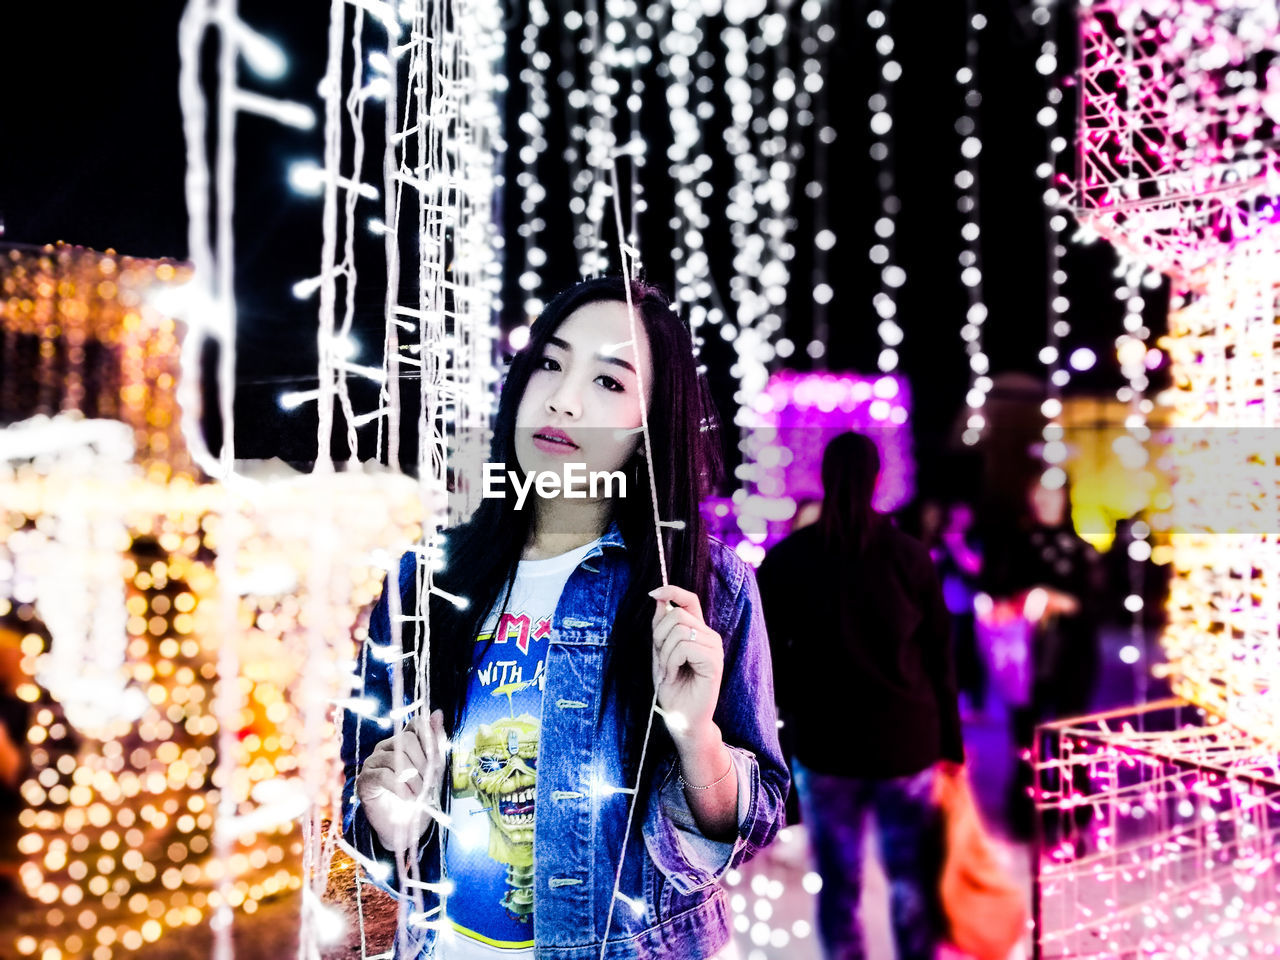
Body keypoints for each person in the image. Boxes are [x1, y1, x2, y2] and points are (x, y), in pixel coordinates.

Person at [341, 276, 788, 960]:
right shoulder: (423, 580)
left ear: (647, 430)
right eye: (550, 363)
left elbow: (748, 830)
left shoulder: (703, 586)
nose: (563, 398)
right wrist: (390, 819)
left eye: (609, 383)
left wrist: (695, 736)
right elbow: (365, 799)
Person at [756, 432, 965, 960]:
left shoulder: (787, 560)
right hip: (907, 742)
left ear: (824, 479)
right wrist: (952, 745)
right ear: (876, 478)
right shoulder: (911, 557)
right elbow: (940, 657)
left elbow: (762, 658)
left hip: (827, 745)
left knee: (839, 887)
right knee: (911, 881)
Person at [978, 475, 1103, 837]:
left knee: (1069, 733)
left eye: (1054, 495)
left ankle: (1071, 816)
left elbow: (1097, 601)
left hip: (1072, 655)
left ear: (1065, 500)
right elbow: (991, 590)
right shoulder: (1012, 545)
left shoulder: (1080, 549)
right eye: (1039, 494)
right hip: (1024, 657)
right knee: (1026, 737)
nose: (1046, 502)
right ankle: (1028, 814)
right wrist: (1023, 600)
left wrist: (1066, 602)